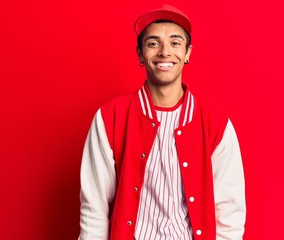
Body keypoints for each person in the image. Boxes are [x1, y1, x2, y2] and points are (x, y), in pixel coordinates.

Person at [78, 4, 246, 240]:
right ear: (139, 54)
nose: (165, 52)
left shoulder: (215, 124)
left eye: (175, 43)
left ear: (188, 53)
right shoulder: (110, 117)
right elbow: (94, 208)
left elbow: (230, 211)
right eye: (153, 43)